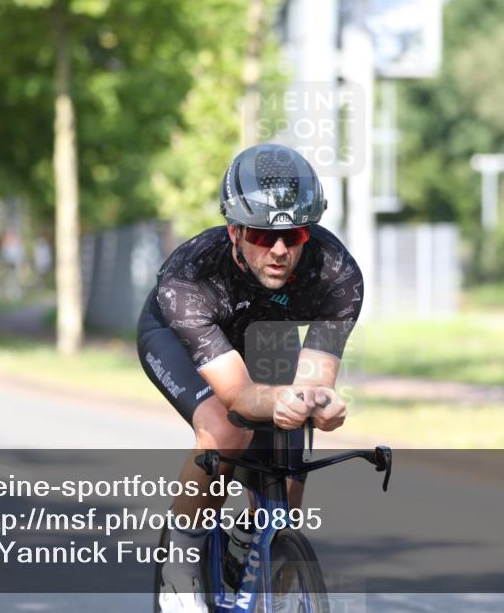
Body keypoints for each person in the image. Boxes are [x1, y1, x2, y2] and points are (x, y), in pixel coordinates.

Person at [137, 144, 363, 612]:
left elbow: (315, 380)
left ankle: (262, 552)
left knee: (290, 453)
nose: (280, 250)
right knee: (225, 428)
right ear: (234, 231)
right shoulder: (189, 278)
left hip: (266, 332)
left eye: (295, 234)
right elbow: (238, 395)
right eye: (262, 236)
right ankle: (181, 553)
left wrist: (320, 403)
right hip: (181, 335)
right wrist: (273, 400)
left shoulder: (337, 275)